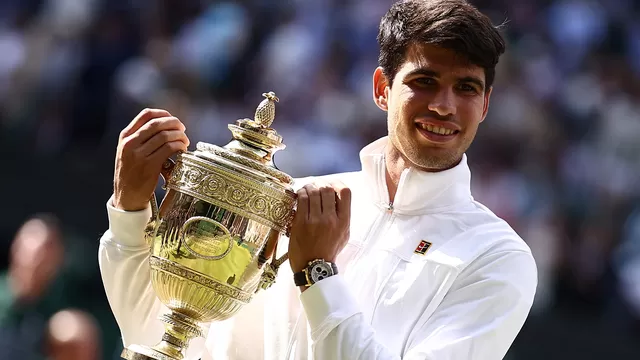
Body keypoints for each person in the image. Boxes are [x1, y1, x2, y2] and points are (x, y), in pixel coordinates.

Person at [98, 0, 538, 359]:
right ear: (382, 88)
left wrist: (317, 275)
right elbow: (168, 336)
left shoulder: (497, 257)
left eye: (466, 88)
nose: (444, 106)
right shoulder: (293, 200)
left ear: (485, 105)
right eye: (424, 81)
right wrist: (130, 211)